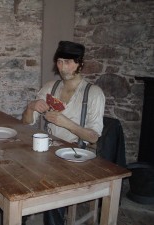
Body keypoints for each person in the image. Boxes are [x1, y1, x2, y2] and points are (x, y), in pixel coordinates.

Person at [22, 41, 105, 225]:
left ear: (80, 63)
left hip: (78, 153)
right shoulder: (51, 87)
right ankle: (22, 211)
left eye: (68, 62)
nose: (62, 67)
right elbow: (26, 123)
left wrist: (67, 124)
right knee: (20, 165)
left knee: (54, 183)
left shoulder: (94, 93)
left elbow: (93, 137)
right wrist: (30, 107)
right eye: (59, 61)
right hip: (50, 148)